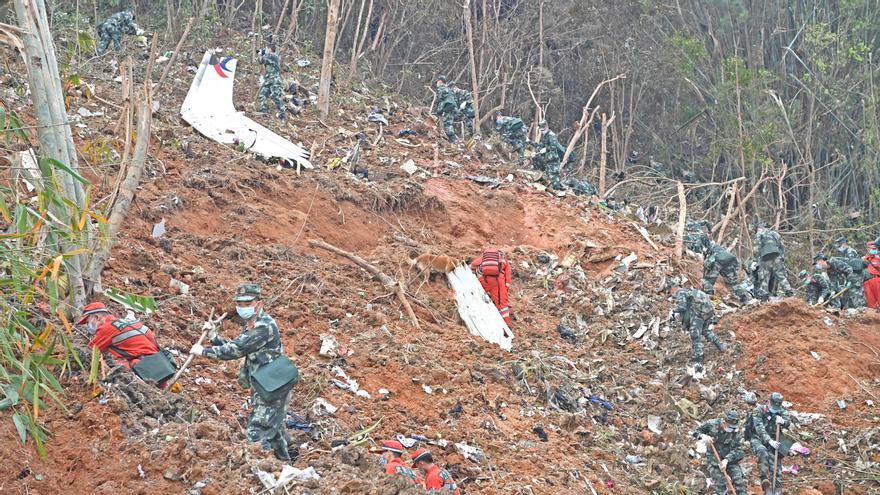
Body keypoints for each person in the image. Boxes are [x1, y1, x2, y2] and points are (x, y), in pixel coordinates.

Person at [189, 283, 295, 461]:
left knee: (257, 432)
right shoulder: (251, 325)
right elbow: (241, 348)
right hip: (265, 385)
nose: (243, 307)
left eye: (247, 303)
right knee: (275, 434)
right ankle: (287, 470)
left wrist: (204, 351)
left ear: (259, 303)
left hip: (273, 387)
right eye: (240, 304)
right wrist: (214, 338)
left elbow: (236, 349)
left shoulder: (263, 326)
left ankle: (260, 471)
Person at [669, 279, 727, 365]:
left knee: (695, 336)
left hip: (698, 314)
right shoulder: (688, 291)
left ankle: (698, 359)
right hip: (707, 312)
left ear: (673, 288)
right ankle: (721, 346)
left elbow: (682, 307)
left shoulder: (680, 293)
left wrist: (673, 312)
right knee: (705, 331)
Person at [692, 410, 747, 495]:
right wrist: (703, 436)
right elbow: (696, 431)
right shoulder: (712, 424)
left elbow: (738, 449)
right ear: (724, 422)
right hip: (714, 459)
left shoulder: (736, 431)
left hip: (730, 460)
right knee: (721, 484)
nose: (732, 429)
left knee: (740, 482)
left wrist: (726, 460)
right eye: (730, 427)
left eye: (734, 427)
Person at [748, 392, 790, 493]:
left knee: (776, 468)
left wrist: (783, 422)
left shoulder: (781, 411)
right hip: (758, 439)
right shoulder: (758, 410)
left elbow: (788, 421)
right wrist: (769, 440)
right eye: (774, 406)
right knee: (763, 451)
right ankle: (764, 478)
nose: (775, 409)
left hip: (774, 441)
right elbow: (759, 428)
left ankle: (776, 490)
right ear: (769, 402)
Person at [470, 249, 513, 327]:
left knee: (478, 298)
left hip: (484, 280)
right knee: (502, 305)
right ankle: (506, 326)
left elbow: (473, 264)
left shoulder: (485, 257)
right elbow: (508, 278)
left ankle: (477, 319)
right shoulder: (504, 260)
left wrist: (473, 272)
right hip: (498, 282)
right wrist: (505, 289)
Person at [753, 224, 794, 300]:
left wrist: (757, 260)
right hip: (776, 256)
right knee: (781, 276)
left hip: (765, 258)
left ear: (757, 229)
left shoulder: (759, 234)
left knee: (764, 278)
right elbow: (781, 245)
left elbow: (756, 249)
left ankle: (764, 297)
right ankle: (789, 293)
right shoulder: (774, 233)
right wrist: (782, 257)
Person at [258, 45, 286, 121]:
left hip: (275, 80)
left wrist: (261, 53)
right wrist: (261, 53)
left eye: (267, 49)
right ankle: (264, 111)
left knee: (275, 96)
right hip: (268, 80)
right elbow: (260, 61)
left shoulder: (274, 56)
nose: (266, 50)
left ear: (270, 49)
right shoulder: (268, 56)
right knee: (263, 94)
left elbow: (262, 59)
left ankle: (282, 114)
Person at [434, 75, 458, 143]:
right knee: (448, 123)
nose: (437, 84)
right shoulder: (449, 89)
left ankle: (453, 139)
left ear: (440, 81)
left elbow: (440, 99)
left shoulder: (441, 88)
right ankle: (451, 139)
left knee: (447, 124)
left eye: (437, 82)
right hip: (452, 107)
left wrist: (440, 110)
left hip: (447, 107)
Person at [864, 241, 880, 309]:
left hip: (877, 280)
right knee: (871, 301)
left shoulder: (878, 258)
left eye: (875, 249)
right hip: (867, 281)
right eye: (872, 249)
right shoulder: (864, 259)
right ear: (867, 249)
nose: (874, 250)